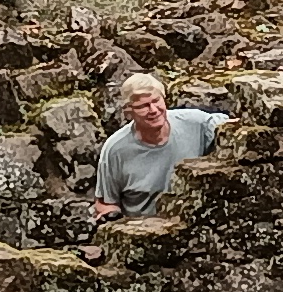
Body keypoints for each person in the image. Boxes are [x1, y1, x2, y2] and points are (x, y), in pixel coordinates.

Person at [90, 73, 224, 220]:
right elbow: (105, 203)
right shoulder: (115, 150)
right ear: (128, 112)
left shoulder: (196, 123)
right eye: (143, 106)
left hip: (193, 222)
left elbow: (231, 128)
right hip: (142, 227)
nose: (153, 110)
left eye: (156, 101)